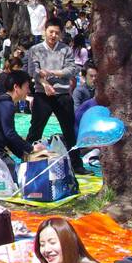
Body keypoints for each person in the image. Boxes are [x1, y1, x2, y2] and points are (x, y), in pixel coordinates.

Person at [25, 22, 85, 175]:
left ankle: (77, 164)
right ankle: (26, 160)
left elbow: (72, 69)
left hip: (63, 94)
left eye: (57, 33)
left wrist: (52, 72)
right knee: (35, 130)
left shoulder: (65, 49)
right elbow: (33, 70)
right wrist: (44, 84)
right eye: (51, 32)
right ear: (45, 31)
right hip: (42, 94)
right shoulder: (35, 49)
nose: (53, 36)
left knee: (70, 130)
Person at [0, 71, 45, 174]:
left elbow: (8, 137)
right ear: (16, 87)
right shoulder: (7, 105)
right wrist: (31, 148)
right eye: (26, 87)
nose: (28, 91)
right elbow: (10, 134)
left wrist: (23, 154)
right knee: (15, 177)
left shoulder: (3, 101)